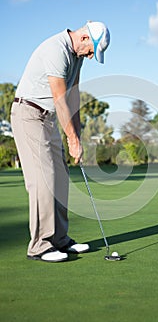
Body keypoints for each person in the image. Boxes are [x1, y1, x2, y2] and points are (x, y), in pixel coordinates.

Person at [11, 21, 110, 262]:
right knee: (43, 179)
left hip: (49, 119)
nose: (89, 56)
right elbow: (59, 97)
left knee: (61, 176)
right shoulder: (56, 49)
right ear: (85, 38)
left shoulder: (77, 57)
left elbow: (72, 96)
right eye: (90, 51)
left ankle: (60, 240)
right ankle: (40, 245)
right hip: (29, 115)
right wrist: (71, 139)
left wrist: (77, 134)